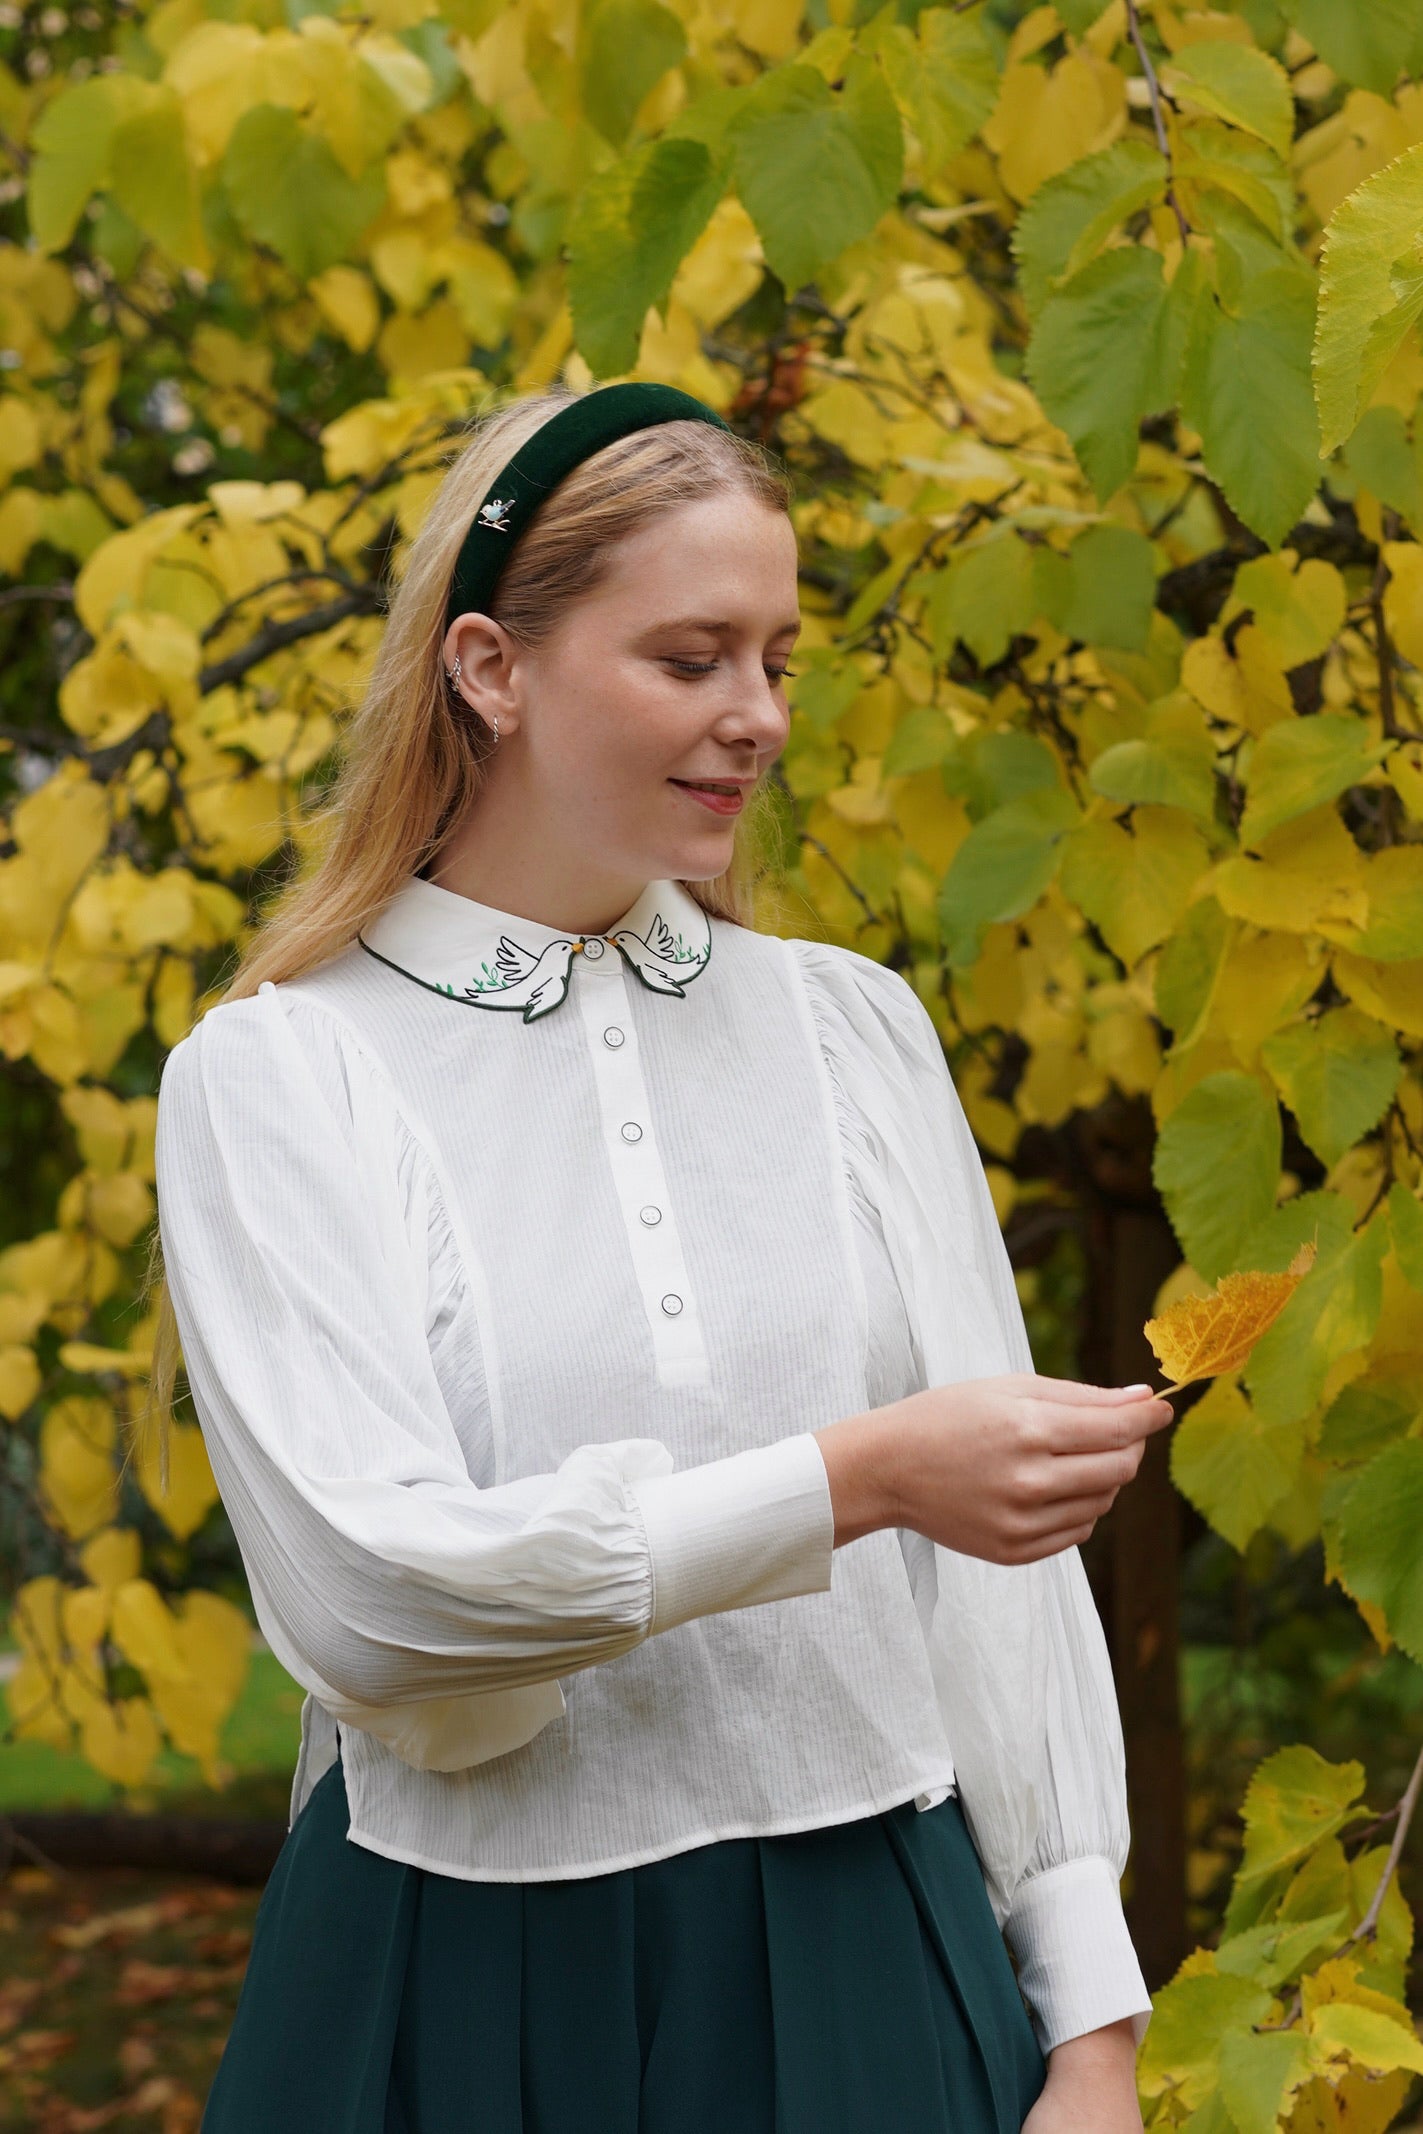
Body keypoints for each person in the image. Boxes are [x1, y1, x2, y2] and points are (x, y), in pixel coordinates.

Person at [150, 381, 1169, 2134]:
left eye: (777, 656)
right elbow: (371, 1594)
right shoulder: (281, 1072)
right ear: (490, 666)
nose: (757, 715)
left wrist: (1092, 2026)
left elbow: (1003, 1590)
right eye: (691, 657)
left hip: (877, 1942)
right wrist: (849, 1482)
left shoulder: (852, 1034)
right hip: (457, 1976)